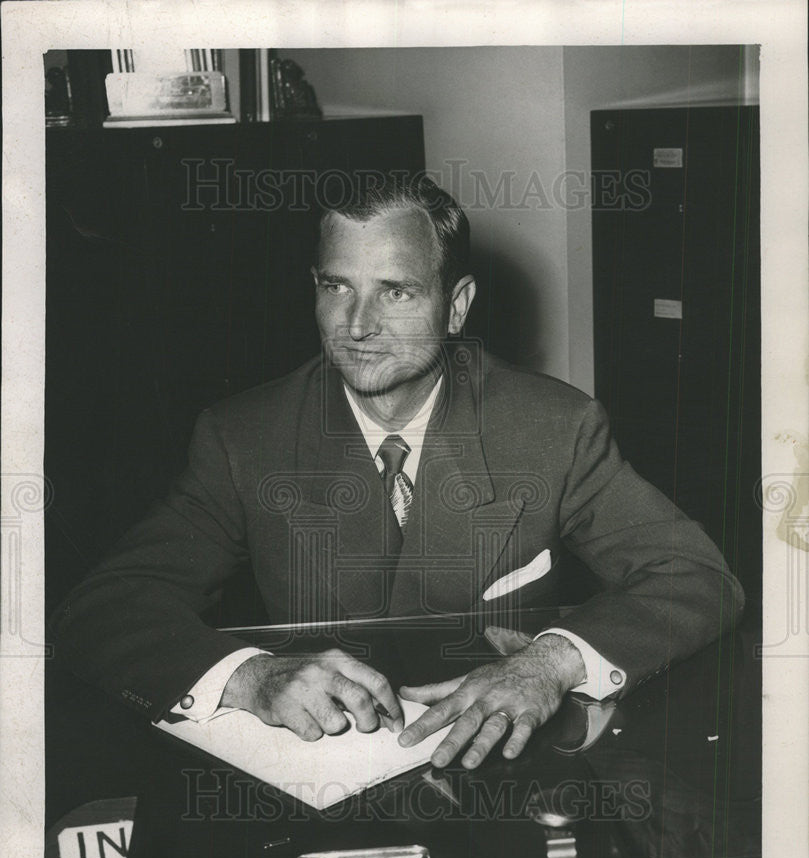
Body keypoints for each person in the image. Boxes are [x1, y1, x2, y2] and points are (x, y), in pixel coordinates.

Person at [52, 175, 744, 771]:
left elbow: (697, 580)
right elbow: (104, 609)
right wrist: (250, 677)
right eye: (336, 286)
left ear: (457, 304)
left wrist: (549, 662)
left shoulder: (554, 427)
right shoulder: (244, 436)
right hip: (315, 776)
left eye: (397, 292)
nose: (357, 324)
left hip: (499, 769)